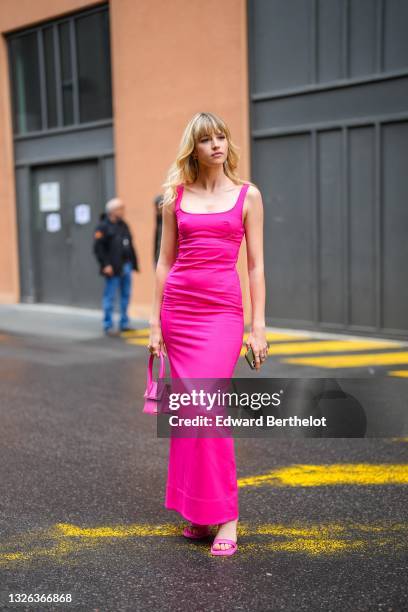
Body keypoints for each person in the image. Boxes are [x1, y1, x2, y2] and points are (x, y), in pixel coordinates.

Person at [148, 111, 268, 556]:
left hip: (220, 314)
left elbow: (255, 265)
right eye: (206, 139)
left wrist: (258, 327)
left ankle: (228, 517)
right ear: (193, 148)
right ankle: (200, 514)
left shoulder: (248, 195)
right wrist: (155, 324)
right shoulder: (173, 198)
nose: (216, 144)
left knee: (208, 410)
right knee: (189, 415)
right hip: (179, 312)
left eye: (221, 137)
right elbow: (164, 262)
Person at [93, 198, 139, 336]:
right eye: (121, 209)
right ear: (113, 211)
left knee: (126, 295)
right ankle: (108, 325)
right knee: (110, 296)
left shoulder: (123, 225)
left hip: (126, 266)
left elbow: (129, 244)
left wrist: (133, 263)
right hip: (112, 268)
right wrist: (105, 265)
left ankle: (124, 323)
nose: (123, 212)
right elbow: (98, 248)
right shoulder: (102, 227)